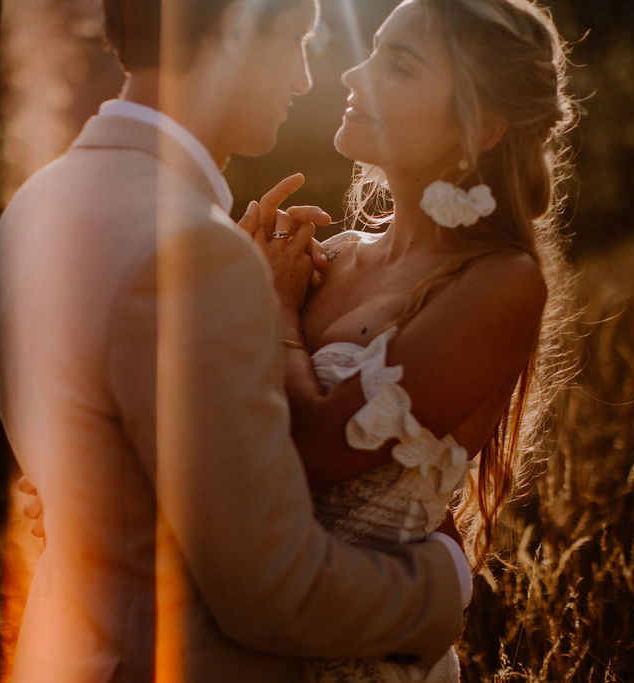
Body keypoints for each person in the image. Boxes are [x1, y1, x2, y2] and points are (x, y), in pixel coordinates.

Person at [0, 0, 472, 681]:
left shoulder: (29, 211)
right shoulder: (197, 253)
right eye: (297, 40)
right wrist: (443, 584)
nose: (301, 78)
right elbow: (274, 595)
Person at [237, 0, 577, 679]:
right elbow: (232, 427)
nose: (354, 76)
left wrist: (271, 307)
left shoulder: (499, 284)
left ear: (479, 126)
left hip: (364, 656)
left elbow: (316, 448)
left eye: (399, 64)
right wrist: (235, 289)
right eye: (373, 52)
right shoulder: (333, 254)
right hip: (245, 641)